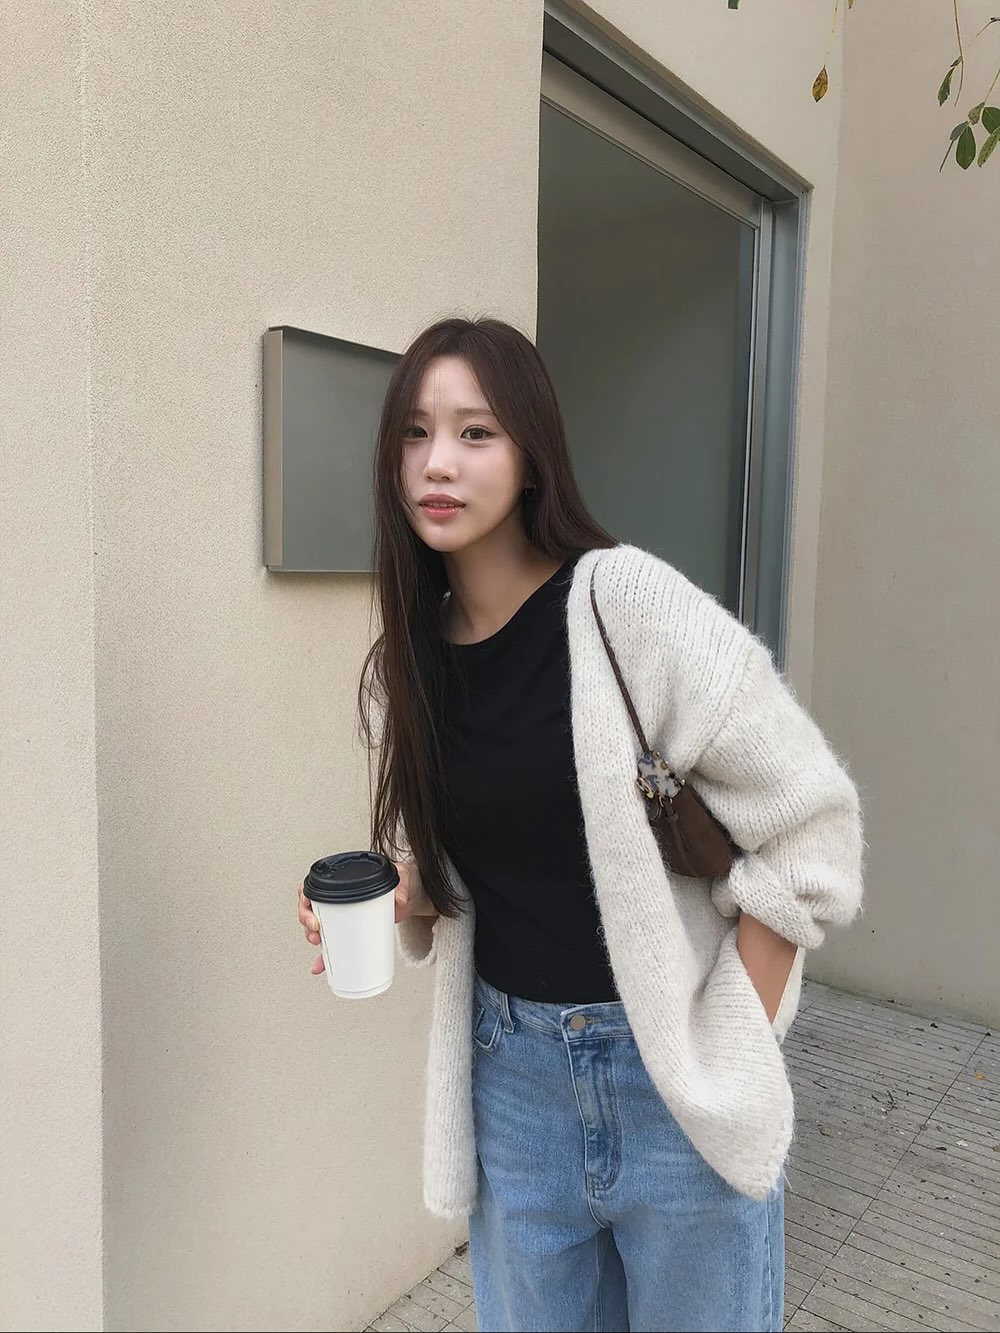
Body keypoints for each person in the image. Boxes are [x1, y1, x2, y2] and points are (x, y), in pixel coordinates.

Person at [297, 316, 865, 1333]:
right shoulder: (406, 668)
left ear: (531, 453)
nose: (437, 462)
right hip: (513, 1089)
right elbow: (489, 868)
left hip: (671, 1082)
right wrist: (405, 893)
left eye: (475, 432)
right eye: (415, 432)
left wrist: (731, 1040)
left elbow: (810, 825)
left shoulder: (623, 604)